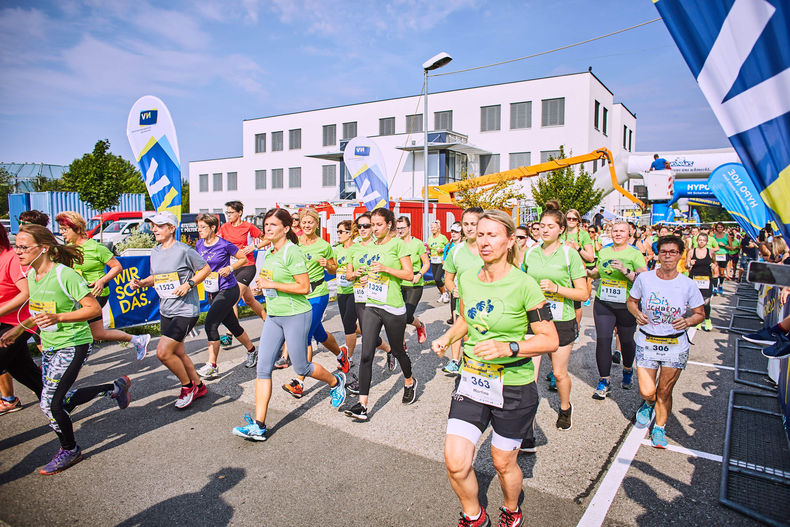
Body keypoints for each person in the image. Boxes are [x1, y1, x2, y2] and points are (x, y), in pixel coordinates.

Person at [431, 210, 559, 527]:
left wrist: (509, 347)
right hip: (472, 381)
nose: (484, 241)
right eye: (480, 234)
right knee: (455, 461)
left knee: (503, 463)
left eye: (493, 235)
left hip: (514, 385)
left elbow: (550, 339)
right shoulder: (468, 278)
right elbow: (466, 319)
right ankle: (474, 516)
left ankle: (512, 508)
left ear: (509, 240)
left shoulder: (524, 284)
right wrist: (447, 337)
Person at [0, 225, 131, 475]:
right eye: (17, 245)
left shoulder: (65, 275)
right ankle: (114, 388)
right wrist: (19, 328)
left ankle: (70, 449)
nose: (18, 251)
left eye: (24, 247)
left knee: (50, 403)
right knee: (62, 399)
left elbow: (92, 309)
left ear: (44, 248)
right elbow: (39, 312)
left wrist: (59, 317)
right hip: (50, 345)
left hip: (73, 344)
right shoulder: (31, 276)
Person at [232, 209, 346, 440]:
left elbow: (304, 287)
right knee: (263, 369)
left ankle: (336, 381)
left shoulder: (292, 252)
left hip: (296, 315)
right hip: (274, 316)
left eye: (273, 225)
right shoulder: (271, 254)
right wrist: (261, 287)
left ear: (286, 228)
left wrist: (270, 283)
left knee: (302, 367)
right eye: (266, 225)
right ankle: (259, 425)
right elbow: (272, 283)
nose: (268, 229)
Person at [628, 235, 704, 448]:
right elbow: (631, 301)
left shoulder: (687, 284)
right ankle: (648, 403)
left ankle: (660, 428)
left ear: (680, 255)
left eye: (673, 252)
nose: (668, 256)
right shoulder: (645, 279)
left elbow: (700, 314)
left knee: (664, 391)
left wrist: (688, 321)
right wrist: (636, 313)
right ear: (657, 254)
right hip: (647, 340)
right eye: (664, 252)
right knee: (647, 391)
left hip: (675, 344)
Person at [130, 211, 211, 409]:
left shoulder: (184, 250)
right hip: (166, 309)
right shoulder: (155, 251)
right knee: (180, 352)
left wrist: (189, 284)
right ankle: (199, 386)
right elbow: (157, 278)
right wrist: (141, 283)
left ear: (172, 228)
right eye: (153, 225)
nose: (154, 229)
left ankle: (187, 387)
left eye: (159, 225)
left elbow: (206, 269)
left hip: (186, 310)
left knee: (163, 353)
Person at [343, 207, 416, 421]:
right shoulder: (368, 247)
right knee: (366, 354)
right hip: (373, 304)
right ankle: (362, 405)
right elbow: (365, 271)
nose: (374, 229)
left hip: (393, 307)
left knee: (397, 350)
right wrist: (362, 279)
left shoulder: (398, 245)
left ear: (389, 225)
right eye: (372, 225)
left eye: (378, 225)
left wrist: (386, 269)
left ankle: (409, 380)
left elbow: (409, 274)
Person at [523, 208, 588, 430]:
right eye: (542, 226)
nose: (545, 230)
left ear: (561, 229)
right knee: (529, 375)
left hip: (562, 320)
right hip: (535, 318)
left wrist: (556, 288)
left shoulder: (570, 254)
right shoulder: (531, 253)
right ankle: (526, 422)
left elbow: (583, 294)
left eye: (551, 226)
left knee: (559, 374)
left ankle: (565, 406)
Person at [55, 212, 151, 359]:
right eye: (60, 229)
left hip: (95, 294)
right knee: (98, 333)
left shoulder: (95, 247)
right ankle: (138, 339)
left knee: (74, 326)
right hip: (77, 295)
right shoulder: (67, 248)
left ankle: (69, 359)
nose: (61, 233)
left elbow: (117, 267)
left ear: (77, 229)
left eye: (64, 229)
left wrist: (102, 280)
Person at [282, 208, 350, 399]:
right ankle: (341, 354)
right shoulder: (293, 244)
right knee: (319, 333)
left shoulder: (324, 245)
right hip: (299, 294)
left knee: (305, 335)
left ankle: (299, 382)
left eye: (310, 222)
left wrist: (327, 265)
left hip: (318, 293)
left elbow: (334, 267)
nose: (306, 225)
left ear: (317, 224)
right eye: (304, 222)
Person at [587, 220, 648, 399]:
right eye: (615, 231)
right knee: (604, 340)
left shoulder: (634, 253)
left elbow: (643, 278)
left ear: (629, 234)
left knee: (627, 341)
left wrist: (625, 270)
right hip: (604, 301)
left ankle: (628, 369)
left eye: (622, 231)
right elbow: (600, 271)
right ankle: (604, 381)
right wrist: (589, 272)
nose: (618, 234)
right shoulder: (604, 250)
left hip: (627, 304)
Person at [194, 214, 258, 378]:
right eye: (198, 227)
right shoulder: (199, 244)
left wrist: (230, 268)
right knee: (232, 325)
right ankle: (252, 350)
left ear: (213, 228)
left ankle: (212, 365)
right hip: (212, 290)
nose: (199, 230)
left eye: (203, 227)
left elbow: (243, 259)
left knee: (210, 324)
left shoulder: (224, 244)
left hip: (228, 289)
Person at [344, 213, 391, 394]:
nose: (363, 229)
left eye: (367, 226)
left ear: (373, 227)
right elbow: (348, 275)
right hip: (360, 297)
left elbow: (387, 271)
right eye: (360, 226)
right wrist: (356, 275)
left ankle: (363, 383)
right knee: (366, 334)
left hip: (377, 297)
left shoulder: (379, 246)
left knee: (367, 340)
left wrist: (370, 278)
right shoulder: (353, 249)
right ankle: (388, 349)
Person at [0, 223, 42, 414]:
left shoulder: (11, 259)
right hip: (5, 323)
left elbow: (25, 294)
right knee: (23, 370)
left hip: (17, 324)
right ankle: (62, 400)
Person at [217, 201, 266, 349]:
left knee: (231, 298)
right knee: (249, 300)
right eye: (227, 212)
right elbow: (218, 242)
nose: (228, 215)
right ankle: (269, 321)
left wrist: (254, 247)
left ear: (239, 213)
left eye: (231, 212)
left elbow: (267, 239)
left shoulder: (248, 227)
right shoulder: (225, 227)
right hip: (232, 267)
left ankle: (229, 334)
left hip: (247, 266)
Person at [442, 207, 484, 375]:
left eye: (473, 223)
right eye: (465, 224)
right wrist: (453, 290)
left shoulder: (489, 247)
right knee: (468, 340)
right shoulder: (456, 250)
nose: (469, 227)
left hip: (489, 307)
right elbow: (448, 278)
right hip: (464, 306)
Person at [397, 216, 430, 344]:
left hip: (414, 282)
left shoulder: (418, 244)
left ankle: (419, 325)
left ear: (409, 228)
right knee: (398, 316)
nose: (400, 231)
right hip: (399, 282)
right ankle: (402, 345)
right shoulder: (396, 243)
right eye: (398, 228)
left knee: (406, 316)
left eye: (403, 228)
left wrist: (419, 274)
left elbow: (426, 263)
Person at [562, 207, 595, 314]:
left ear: (578, 221)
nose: (571, 221)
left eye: (574, 219)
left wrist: (577, 248)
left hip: (577, 272)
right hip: (562, 271)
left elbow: (590, 257)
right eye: (568, 218)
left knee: (576, 304)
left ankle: (575, 328)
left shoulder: (584, 234)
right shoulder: (560, 233)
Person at [686, 232, 717, 331]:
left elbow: (715, 263)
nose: (701, 242)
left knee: (706, 302)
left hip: (706, 279)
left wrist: (714, 266)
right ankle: (698, 320)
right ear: (697, 241)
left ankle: (707, 319)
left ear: (707, 242)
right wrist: (689, 263)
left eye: (703, 240)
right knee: (696, 302)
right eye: (700, 240)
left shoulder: (711, 252)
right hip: (695, 278)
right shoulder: (691, 251)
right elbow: (686, 266)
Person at [444, 222, 463, 325]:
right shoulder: (449, 247)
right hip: (453, 279)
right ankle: (454, 318)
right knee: (454, 301)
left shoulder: (466, 247)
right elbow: (445, 261)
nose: (453, 234)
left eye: (456, 232)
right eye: (452, 231)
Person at [427, 220, 450, 303]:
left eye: (434, 227)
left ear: (438, 228)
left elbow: (449, 247)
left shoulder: (442, 237)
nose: (432, 229)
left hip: (441, 261)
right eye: (431, 227)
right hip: (433, 260)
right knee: (436, 280)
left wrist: (442, 250)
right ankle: (442, 294)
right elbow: (429, 248)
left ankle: (445, 293)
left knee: (438, 278)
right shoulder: (429, 239)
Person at [711, 222, 730, 294]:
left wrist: (724, 245)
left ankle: (721, 285)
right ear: (716, 228)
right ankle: (715, 287)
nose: (720, 229)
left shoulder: (727, 236)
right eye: (718, 227)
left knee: (721, 272)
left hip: (724, 255)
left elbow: (731, 248)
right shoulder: (714, 236)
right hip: (715, 255)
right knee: (715, 271)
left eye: (721, 227)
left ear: (723, 228)